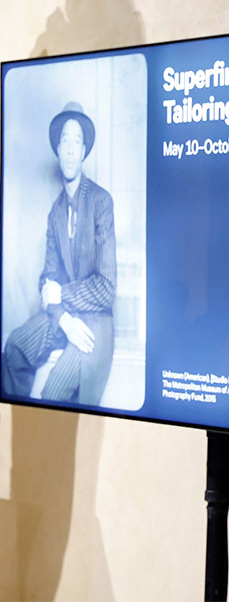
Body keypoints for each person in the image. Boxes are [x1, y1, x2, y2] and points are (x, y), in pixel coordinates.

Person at [2, 102, 116, 406]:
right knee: (13, 348)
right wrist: (62, 317)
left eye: (75, 141)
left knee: (53, 394)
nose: (68, 148)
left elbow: (106, 288)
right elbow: (47, 277)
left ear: (83, 151)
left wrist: (59, 294)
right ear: (57, 148)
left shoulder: (101, 201)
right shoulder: (54, 212)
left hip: (95, 320)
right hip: (62, 315)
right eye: (64, 140)